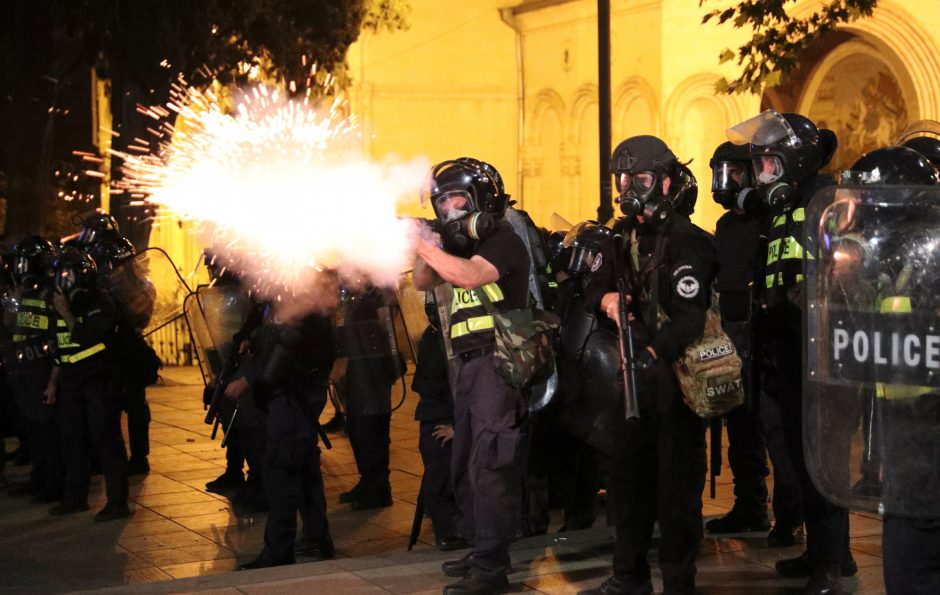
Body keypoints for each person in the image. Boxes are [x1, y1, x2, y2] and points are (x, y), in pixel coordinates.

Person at [578, 135, 715, 595]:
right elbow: (591, 285)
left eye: (640, 179)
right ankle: (629, 575)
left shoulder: (687, 241)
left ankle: (679, 582)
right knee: (627, 486)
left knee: (676, 496)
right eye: (623, 179)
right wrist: (608, 299)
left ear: (665, 182)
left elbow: (690, 319)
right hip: (631, 384)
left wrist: (653, 354)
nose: (629, 187)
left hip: (674, 385)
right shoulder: (621, 237)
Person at [728, 110, 855, 594]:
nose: (761, 176)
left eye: (767, 165)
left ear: (794, 161)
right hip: (782, 348)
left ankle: (830, 563)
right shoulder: (779, 210)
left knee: (823, 460)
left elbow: (848, 270)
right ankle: (825, 553)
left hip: (822, 353)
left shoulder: (829, 202)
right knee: (795, 457)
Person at [413, 158, 529, 595]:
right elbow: (423, 282)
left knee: (490, 466)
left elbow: (470, 276)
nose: (448, 209)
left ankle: (491, 570)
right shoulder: (457, 245)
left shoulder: (503, 239)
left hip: (497, 363)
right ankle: (480, 547)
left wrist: (427, 245)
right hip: (468, 366)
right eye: (441, 203)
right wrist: (426, 240)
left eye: (455, 199)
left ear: (479, 197)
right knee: (464, 463)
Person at [837, 146, 940, 594]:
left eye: (861, 202)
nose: (854, 216)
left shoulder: (928, 268)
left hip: (928, 446)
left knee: (912, 572)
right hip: (907, 445)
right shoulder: (900, 266)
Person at [231, 297, 337, 569]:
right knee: (304, 466)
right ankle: (316, 537)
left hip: (293, 395)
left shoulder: (301, 296)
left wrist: (251, 378)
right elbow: (272, 333)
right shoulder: (293, 292)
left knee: (281, 469)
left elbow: (287, 343)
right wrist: (251, 338)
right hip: (296, 395)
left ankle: (278, 550)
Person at [703, 142, 773, 536]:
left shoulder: (768, 219)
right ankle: (751, 505)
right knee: (739, 423)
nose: (726, 183)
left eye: (735, 173)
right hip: (729, 330)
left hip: (758, 329)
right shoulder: (726, 226)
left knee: (769, 426)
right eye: (721, 174)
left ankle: (788, 514)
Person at [45, 247, 130, 521]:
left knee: (106, 441)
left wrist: (67, 313)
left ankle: (118, 503)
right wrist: (52, 383)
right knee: (72, 440)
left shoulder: (99, 300)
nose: (60, 279)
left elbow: (86, 336)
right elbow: (61, 349)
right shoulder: (62, 303)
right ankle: (75, 498)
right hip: (71, 382)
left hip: (99, 380)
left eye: (65, 273)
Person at [89, 230, 155, 476]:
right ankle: (117, 457)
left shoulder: (138, 286)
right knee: (117, 408)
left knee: (131, 407)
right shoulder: (109, 285)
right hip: (114, 352)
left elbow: (141, 316)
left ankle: (137, 458)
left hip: (126, 352)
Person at [3, 236, 62, 502]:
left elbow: (52, 335)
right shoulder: (24, 291)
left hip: (40, 370)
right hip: (23, 370)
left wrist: (52, 380)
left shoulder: (49, 292)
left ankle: (53, 485)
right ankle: (39, 480)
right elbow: (12, 326)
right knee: (33, 431)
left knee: (48, 433)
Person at [412, 292, 466, 550]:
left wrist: (459, 426)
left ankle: (455, 534)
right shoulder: (433, 334)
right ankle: (449, 533)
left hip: (447, 417)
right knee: (437, 483)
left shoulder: (458, 336)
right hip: (434, 414)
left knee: (443, 485)